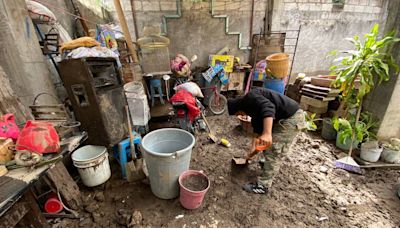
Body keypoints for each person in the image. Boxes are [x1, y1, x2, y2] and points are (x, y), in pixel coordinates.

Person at [228, 87, 306, 194]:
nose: (243, 116)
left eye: (239, 115)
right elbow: (257, 136)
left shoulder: (251, 97)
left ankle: (263, 186)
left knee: (274, 151)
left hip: (291, 118)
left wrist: (267, 134)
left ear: (239, 110)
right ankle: (267, 163)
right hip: (282, 119)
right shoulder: (254, 112)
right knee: (266, 143)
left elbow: (269, 107)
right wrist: (250, 155)